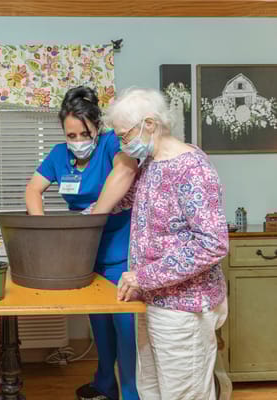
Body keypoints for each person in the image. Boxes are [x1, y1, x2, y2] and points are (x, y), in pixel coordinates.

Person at [107, 88, 230, 400]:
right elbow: (126, 204)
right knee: (151, 391)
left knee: (182, 394)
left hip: (184, 309)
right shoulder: (150, 164)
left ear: (150, 124)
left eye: (125, 135)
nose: (123, 143)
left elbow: (212, 243)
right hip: (151, 301)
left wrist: (143, 276)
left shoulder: (192, 167)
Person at [25, 86, 139, 400]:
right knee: (99, 324)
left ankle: (130, 393)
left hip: (120, 248)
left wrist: (95, 214)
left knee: (125, 327)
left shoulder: (111, 144)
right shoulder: (58, 155)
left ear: (97, 128)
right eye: (70, 136)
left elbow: (125, 171)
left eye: (83, 134)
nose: (77, 142)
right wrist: (41, 233)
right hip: (84, 253)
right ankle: (105, 384)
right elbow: (33, 190)